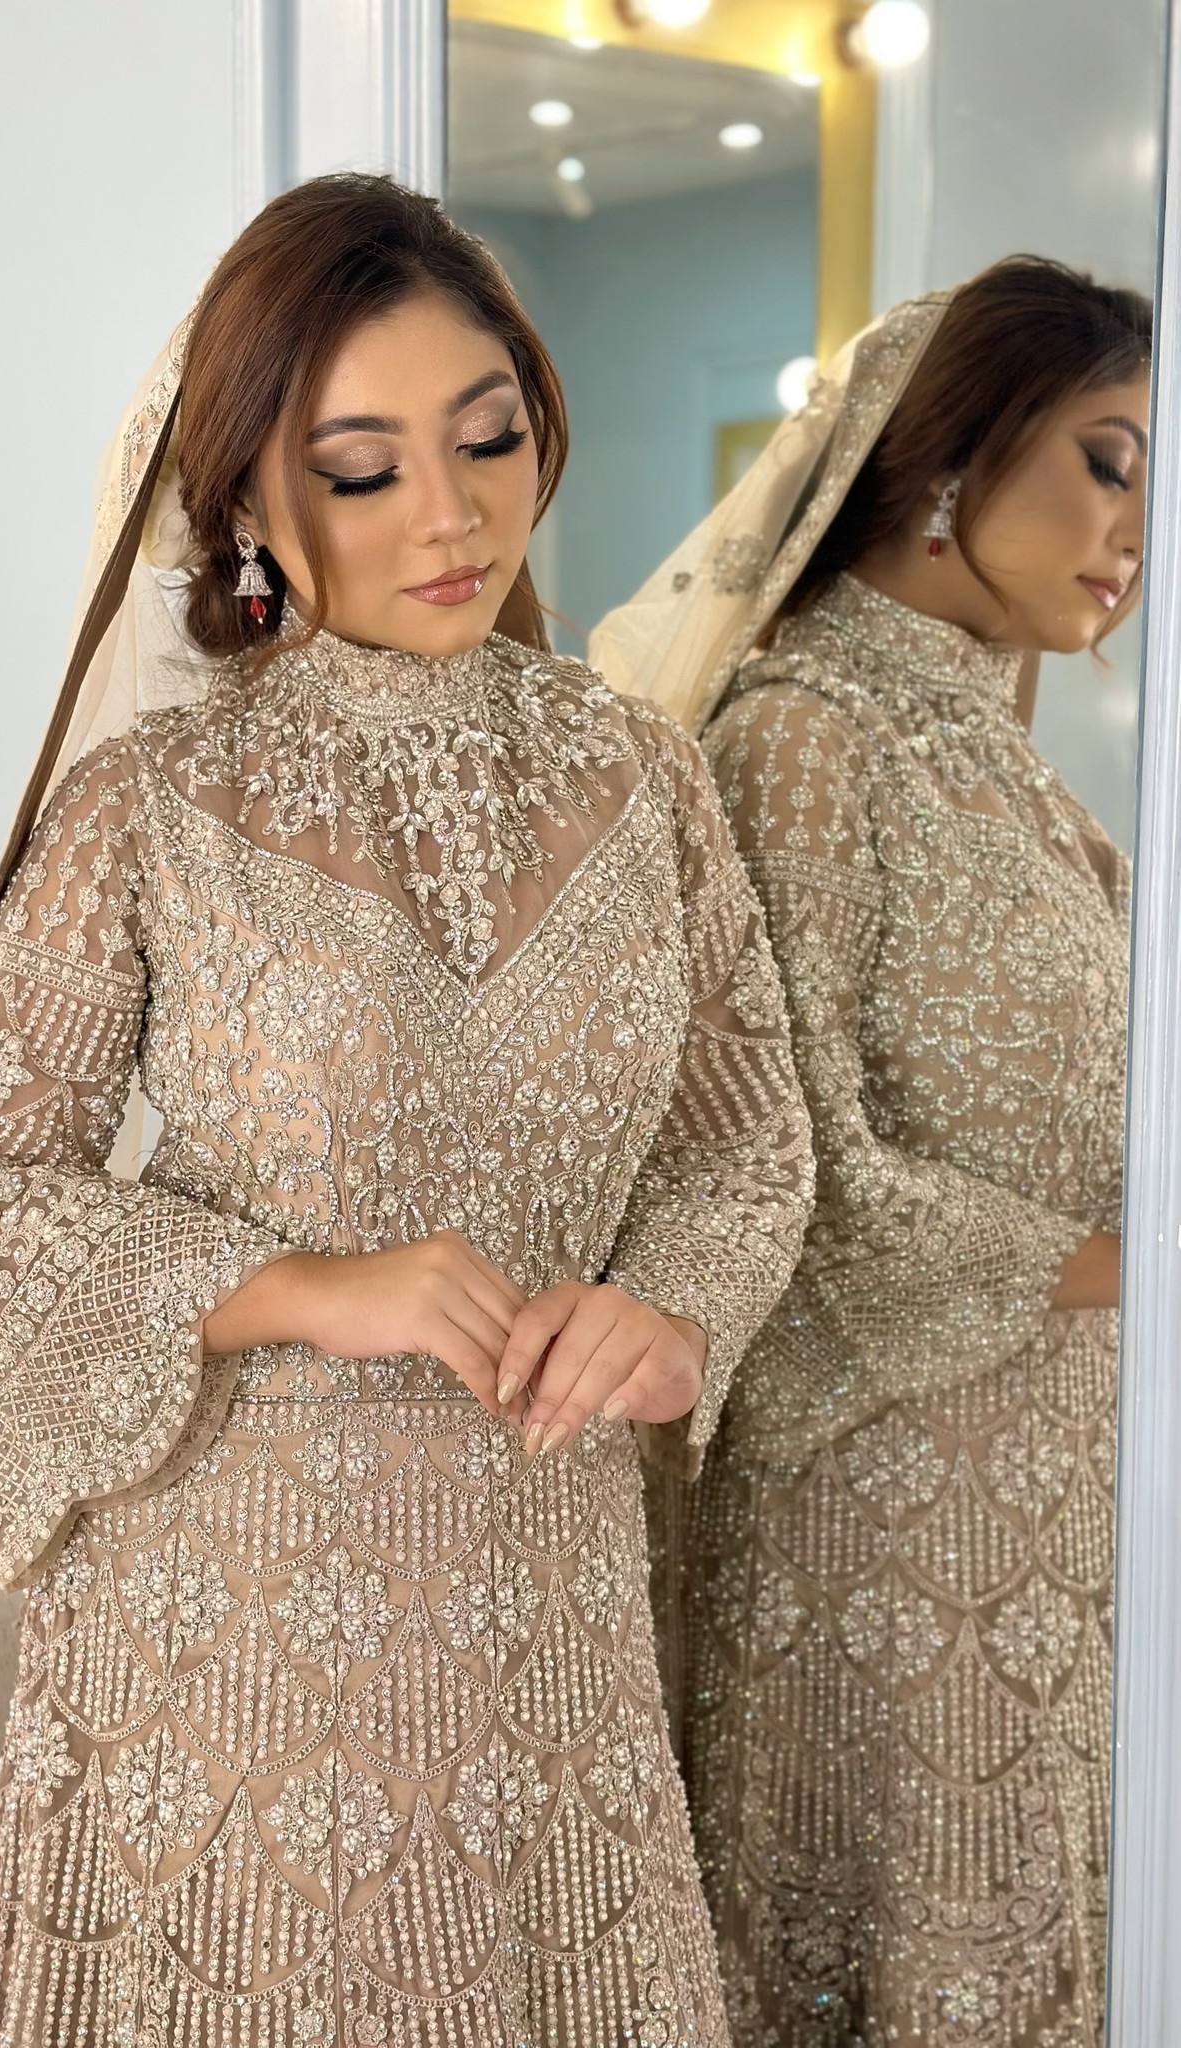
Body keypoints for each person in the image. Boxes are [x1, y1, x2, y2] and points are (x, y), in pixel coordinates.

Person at [0, 173, 813, 2048]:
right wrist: (307, 1289)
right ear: (249, 503)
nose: (450, 512)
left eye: (488, 437)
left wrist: (675, 1311)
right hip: (228, 1631)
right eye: (361, 469)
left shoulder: (647, 783)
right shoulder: (154, 803)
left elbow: (741, 1143)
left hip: (545, 1611)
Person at [591, 258, 1146, 2046]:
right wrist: (1124, 1270)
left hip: (1044, 1482)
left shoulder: (999, 756)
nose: (1132, 528)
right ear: (954, 452)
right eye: (1107, 459)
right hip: (876, 1512)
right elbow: (784, 1167)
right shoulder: (801, 739)